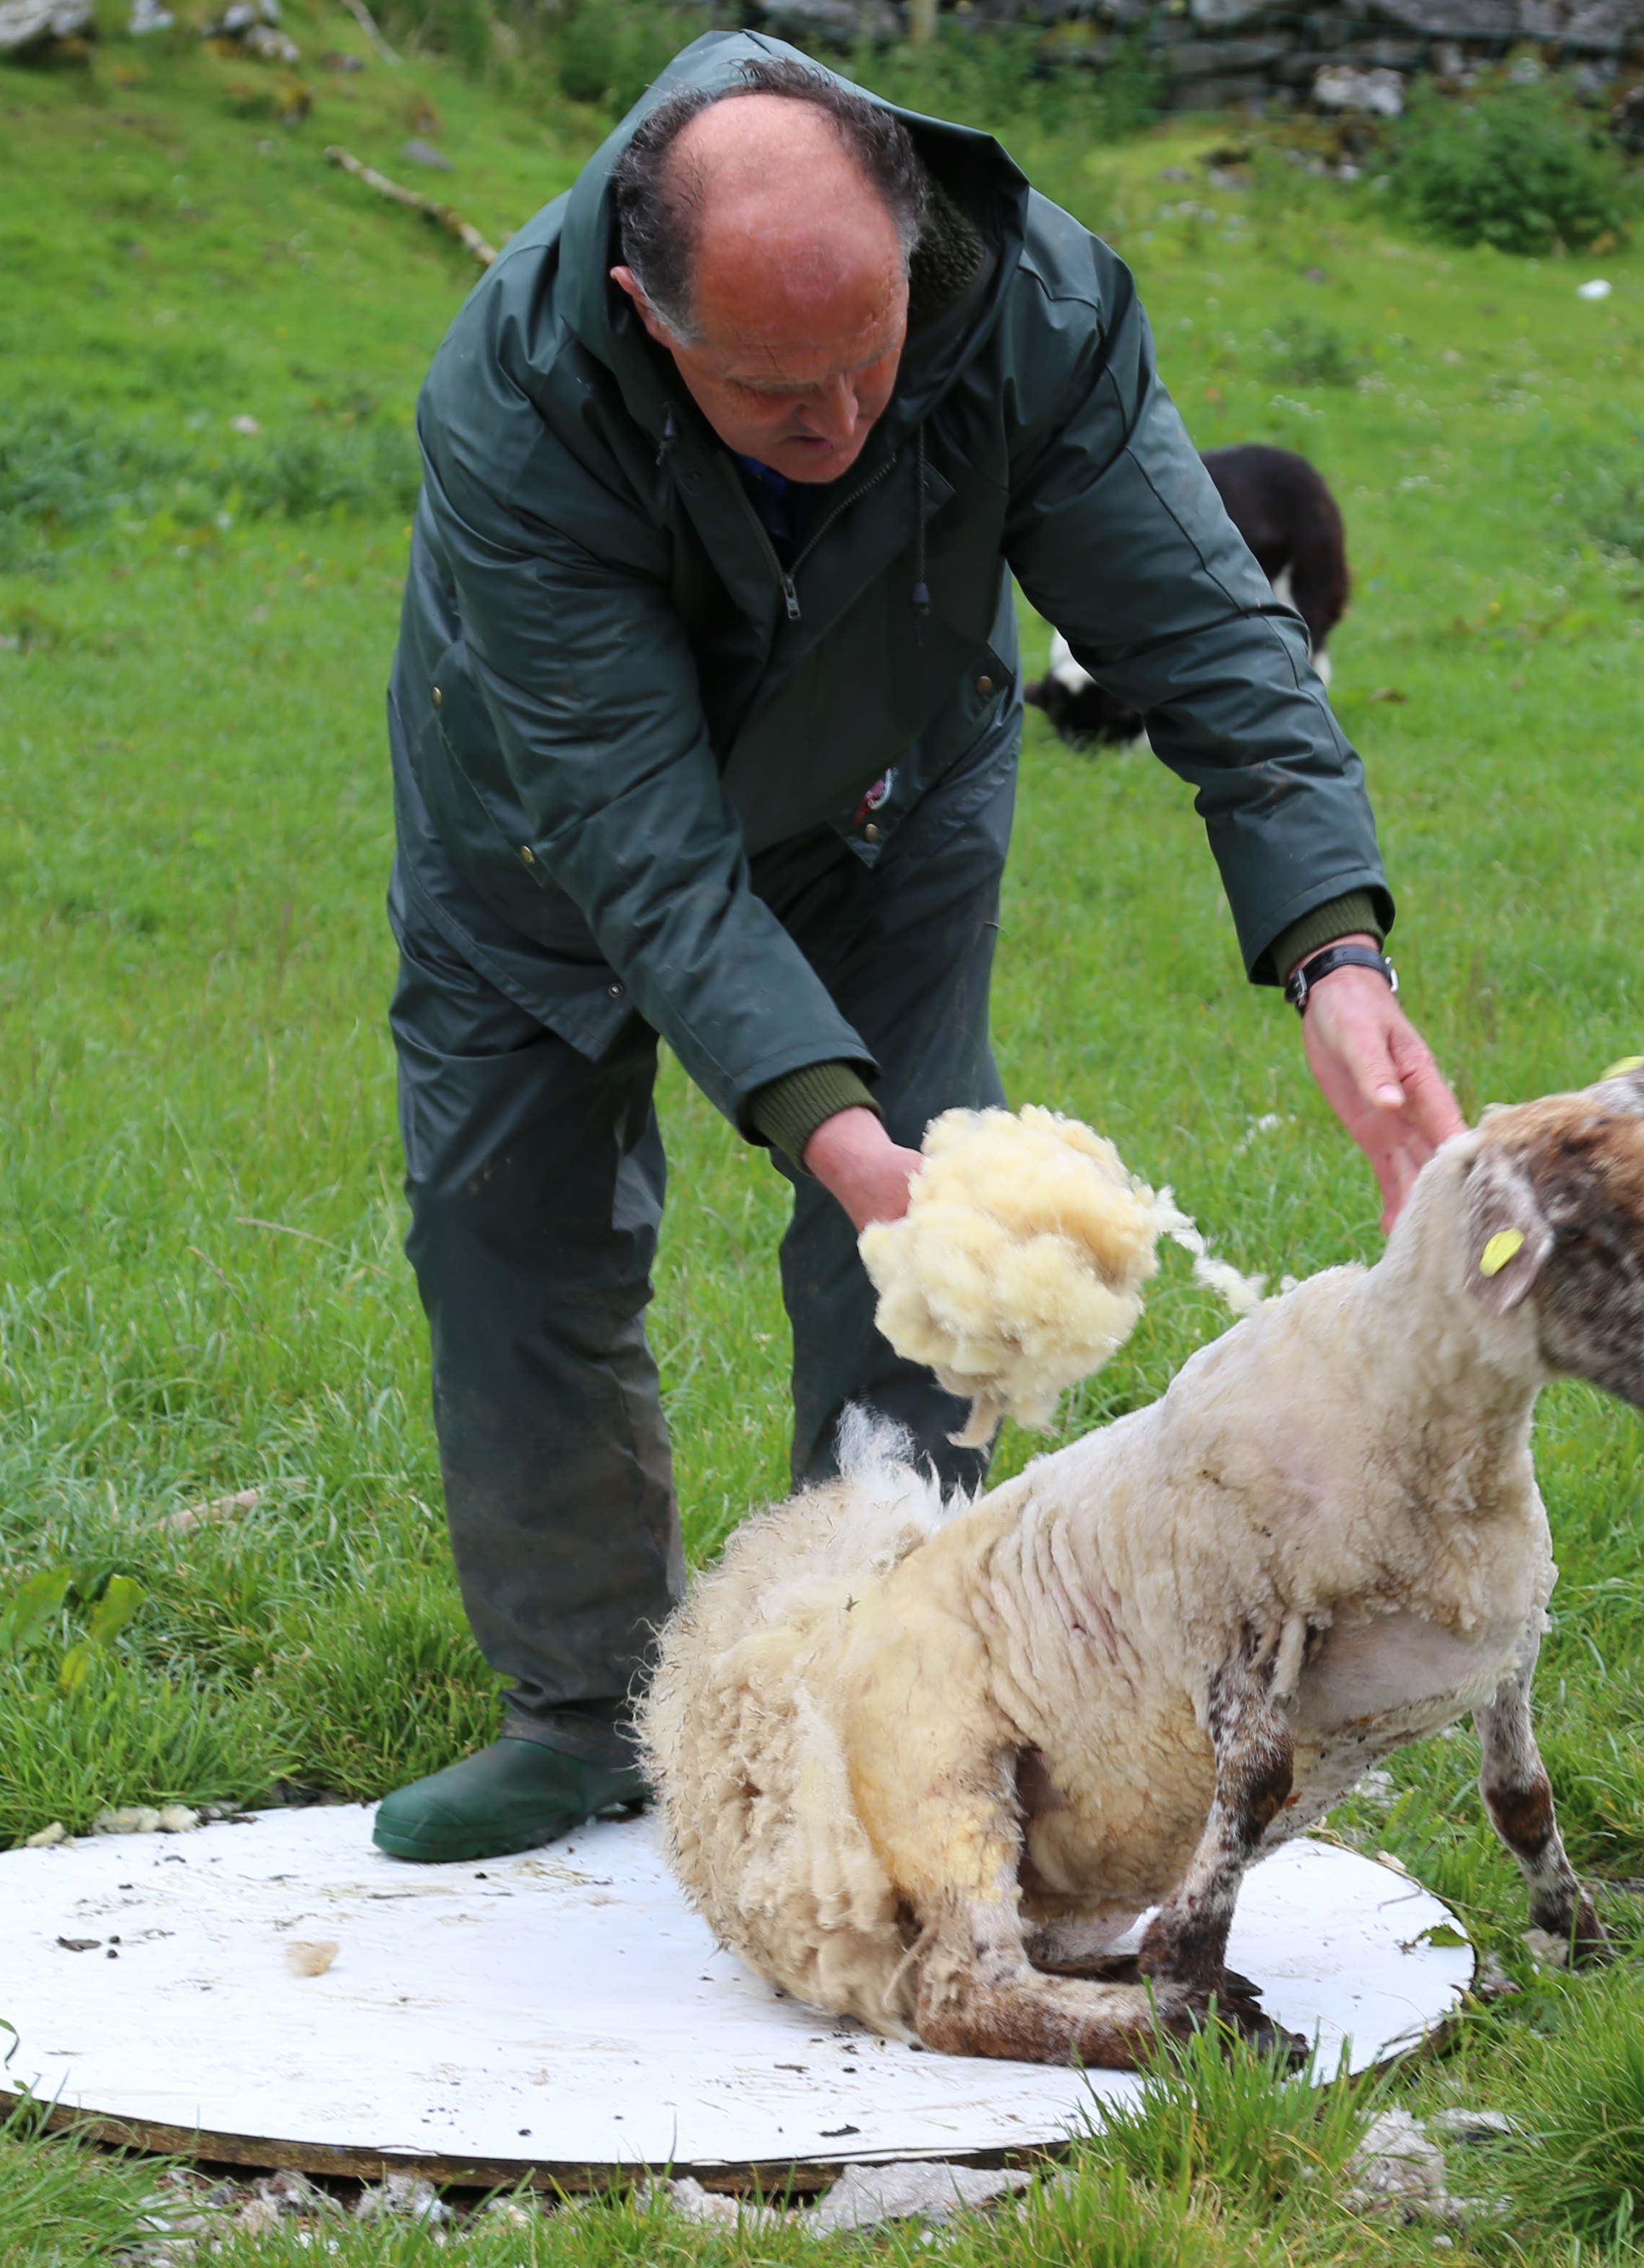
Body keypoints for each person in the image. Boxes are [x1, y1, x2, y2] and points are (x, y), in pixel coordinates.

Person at [372, 33, 1467, 1863]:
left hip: (888, 793)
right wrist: (828, 1120)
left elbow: (1213, 644)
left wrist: (1334, 953)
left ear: (903, 242)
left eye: (872, 361)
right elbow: (643, 846)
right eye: (779, 395)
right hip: (548, 849)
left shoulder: (1029, 306)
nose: (845, 426)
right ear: (649, 313)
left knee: (914, 1288)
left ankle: (892, 1692)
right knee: (512, 1242)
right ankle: (581, 1712)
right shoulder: (517, 399)